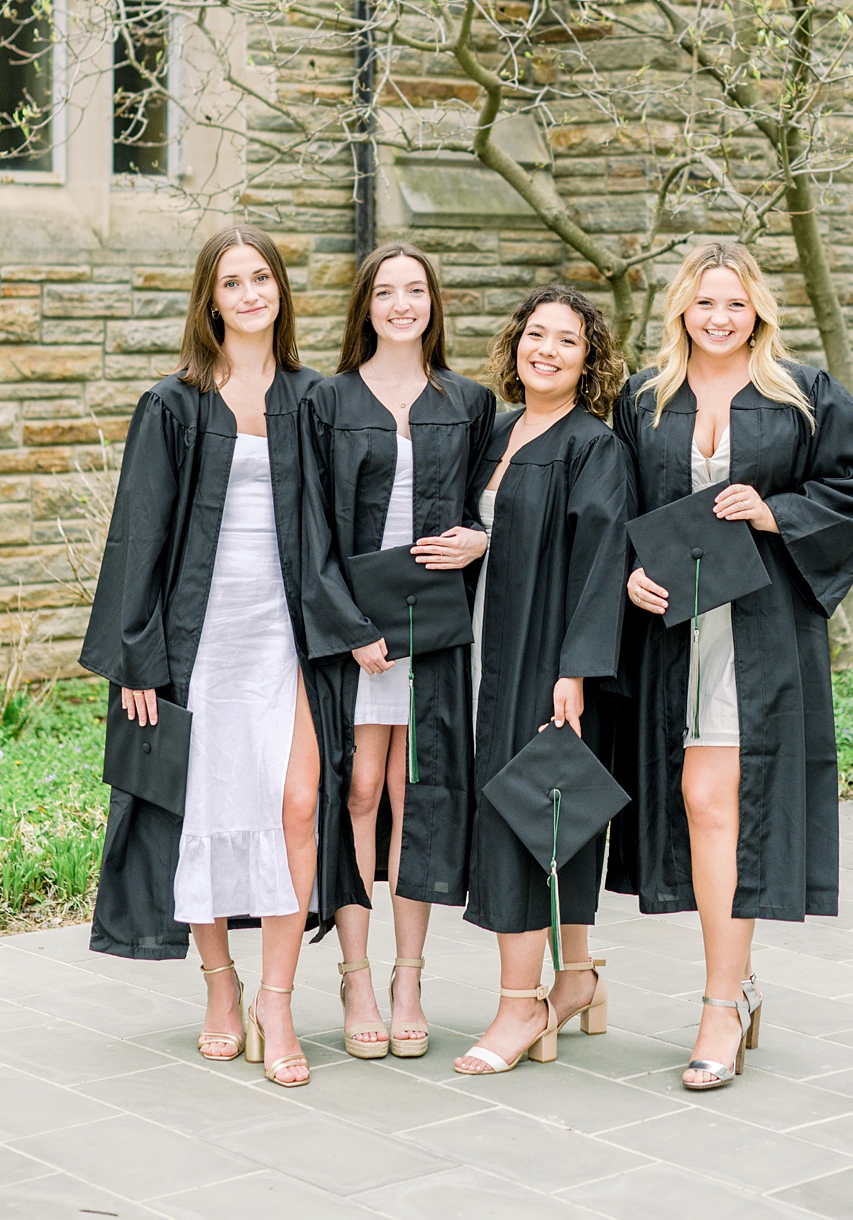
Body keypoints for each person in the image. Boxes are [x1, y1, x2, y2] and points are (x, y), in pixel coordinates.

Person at [611, 241, 853, 1091]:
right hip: (674, 631)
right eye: (703, 305)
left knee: (711, 797)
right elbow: (617, 506)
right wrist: (630, 573)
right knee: (695, 802)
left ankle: (720, 1007)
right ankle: (739, 986)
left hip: (757, 628)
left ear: (756, 310)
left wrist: (776, 511)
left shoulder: (801, 396)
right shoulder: (644, 401)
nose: (719, 319)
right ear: (680, 313)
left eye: (733, 304)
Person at [82, 226, 350, 1088]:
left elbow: (353, 521)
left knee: (298, 806)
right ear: (209, 299)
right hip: (201, 640)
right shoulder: (174, 403)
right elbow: (137, 536)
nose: (248, 293)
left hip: (288, 635)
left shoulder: (315, 399)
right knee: (199, 812)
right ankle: (221, 989)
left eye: (261, 277)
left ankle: (279, 998)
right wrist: (139, 659)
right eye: (231, 282)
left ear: (279, 290)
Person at [304, 244, 494, 1061]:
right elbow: (306, 524)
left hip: (435, 630)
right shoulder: (326, 399)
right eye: (386, 291)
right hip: (353, 631)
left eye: (417, 288)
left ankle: (408, 975)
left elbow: (499, 500)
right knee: (358, 786)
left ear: (434, 302)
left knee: (416, 791)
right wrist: (349, 630)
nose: (402, 303)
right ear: (366, 306)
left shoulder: (472, 401)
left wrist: (481, 540)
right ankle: (354, 972)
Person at [452, 287, 633, 1076]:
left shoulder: (594, 447)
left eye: (567, 340)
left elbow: (604, 560)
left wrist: (574, 668)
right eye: (536, 335)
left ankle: (519, 1006)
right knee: (542, 808)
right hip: (478, 647)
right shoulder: (494, 431)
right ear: (514, 345)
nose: (547, 350)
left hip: (538, 654)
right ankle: (579, 978)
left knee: (523, 813)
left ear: (589, 359)